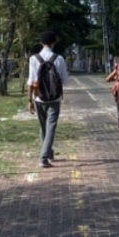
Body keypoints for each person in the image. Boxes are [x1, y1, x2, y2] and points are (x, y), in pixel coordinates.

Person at [27, 31, 69, 168]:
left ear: (41, 43)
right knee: (51, 126)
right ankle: (44, 157)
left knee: (43, 126)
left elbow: (31, 81)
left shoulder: (34, 59)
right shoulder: (59, 59)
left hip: (38, 98)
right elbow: (65, 80)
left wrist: (30, 101)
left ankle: (48, 153)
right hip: (54, 98)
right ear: (54, 42)